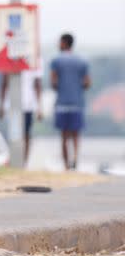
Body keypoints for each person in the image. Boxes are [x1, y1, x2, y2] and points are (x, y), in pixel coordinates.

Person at [50, 33, 91, 170]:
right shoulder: (82, 61)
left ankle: (66, 165)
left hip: (62, 103)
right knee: (76, 135)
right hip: (77, 102)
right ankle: (75, 159)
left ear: (64, 43)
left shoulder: (56, 61)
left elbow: (53, 82)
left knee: (64, 136)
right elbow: (87, 83)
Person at [0, 64, 43, 164]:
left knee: (26, 134)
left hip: (28, 104)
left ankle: (24, 162)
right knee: (14, 134)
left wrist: (39, 107)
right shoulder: (8, 60)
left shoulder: (33, 61)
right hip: (13, 105)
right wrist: (2, 105)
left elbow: (37, 84)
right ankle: (15, 160)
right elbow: (4, 83)